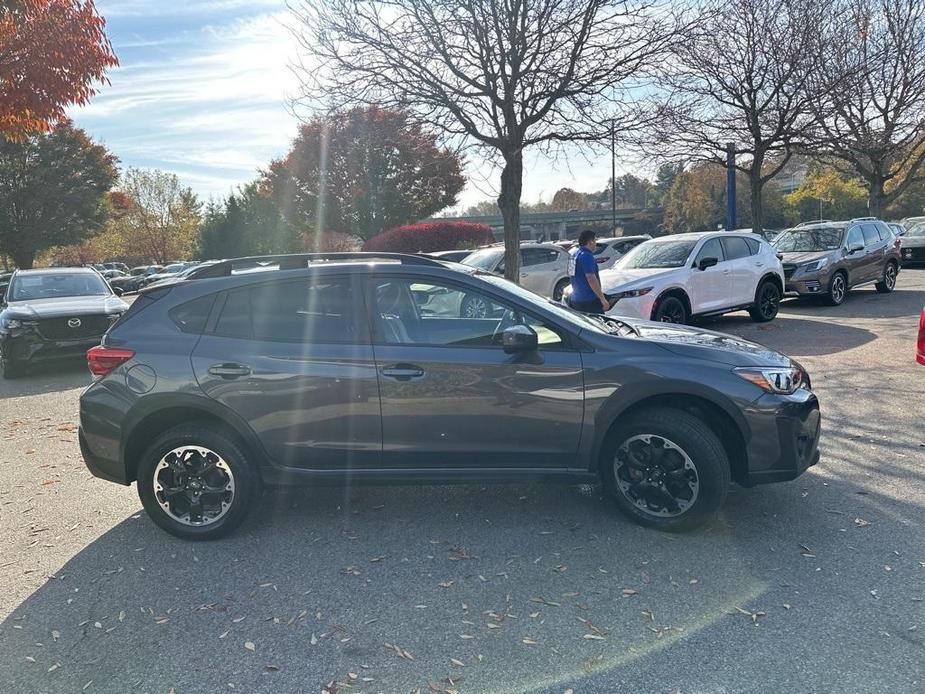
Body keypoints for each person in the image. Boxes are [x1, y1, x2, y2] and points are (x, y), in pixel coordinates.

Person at [568, 229, 612, 314]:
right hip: (589, 300)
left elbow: (570, 274)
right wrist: (602, 299)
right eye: (595, 240)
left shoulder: (573, 255)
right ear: (590, 242)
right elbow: (591, 279)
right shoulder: (587, 256)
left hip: (576, 299)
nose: (596, 243)